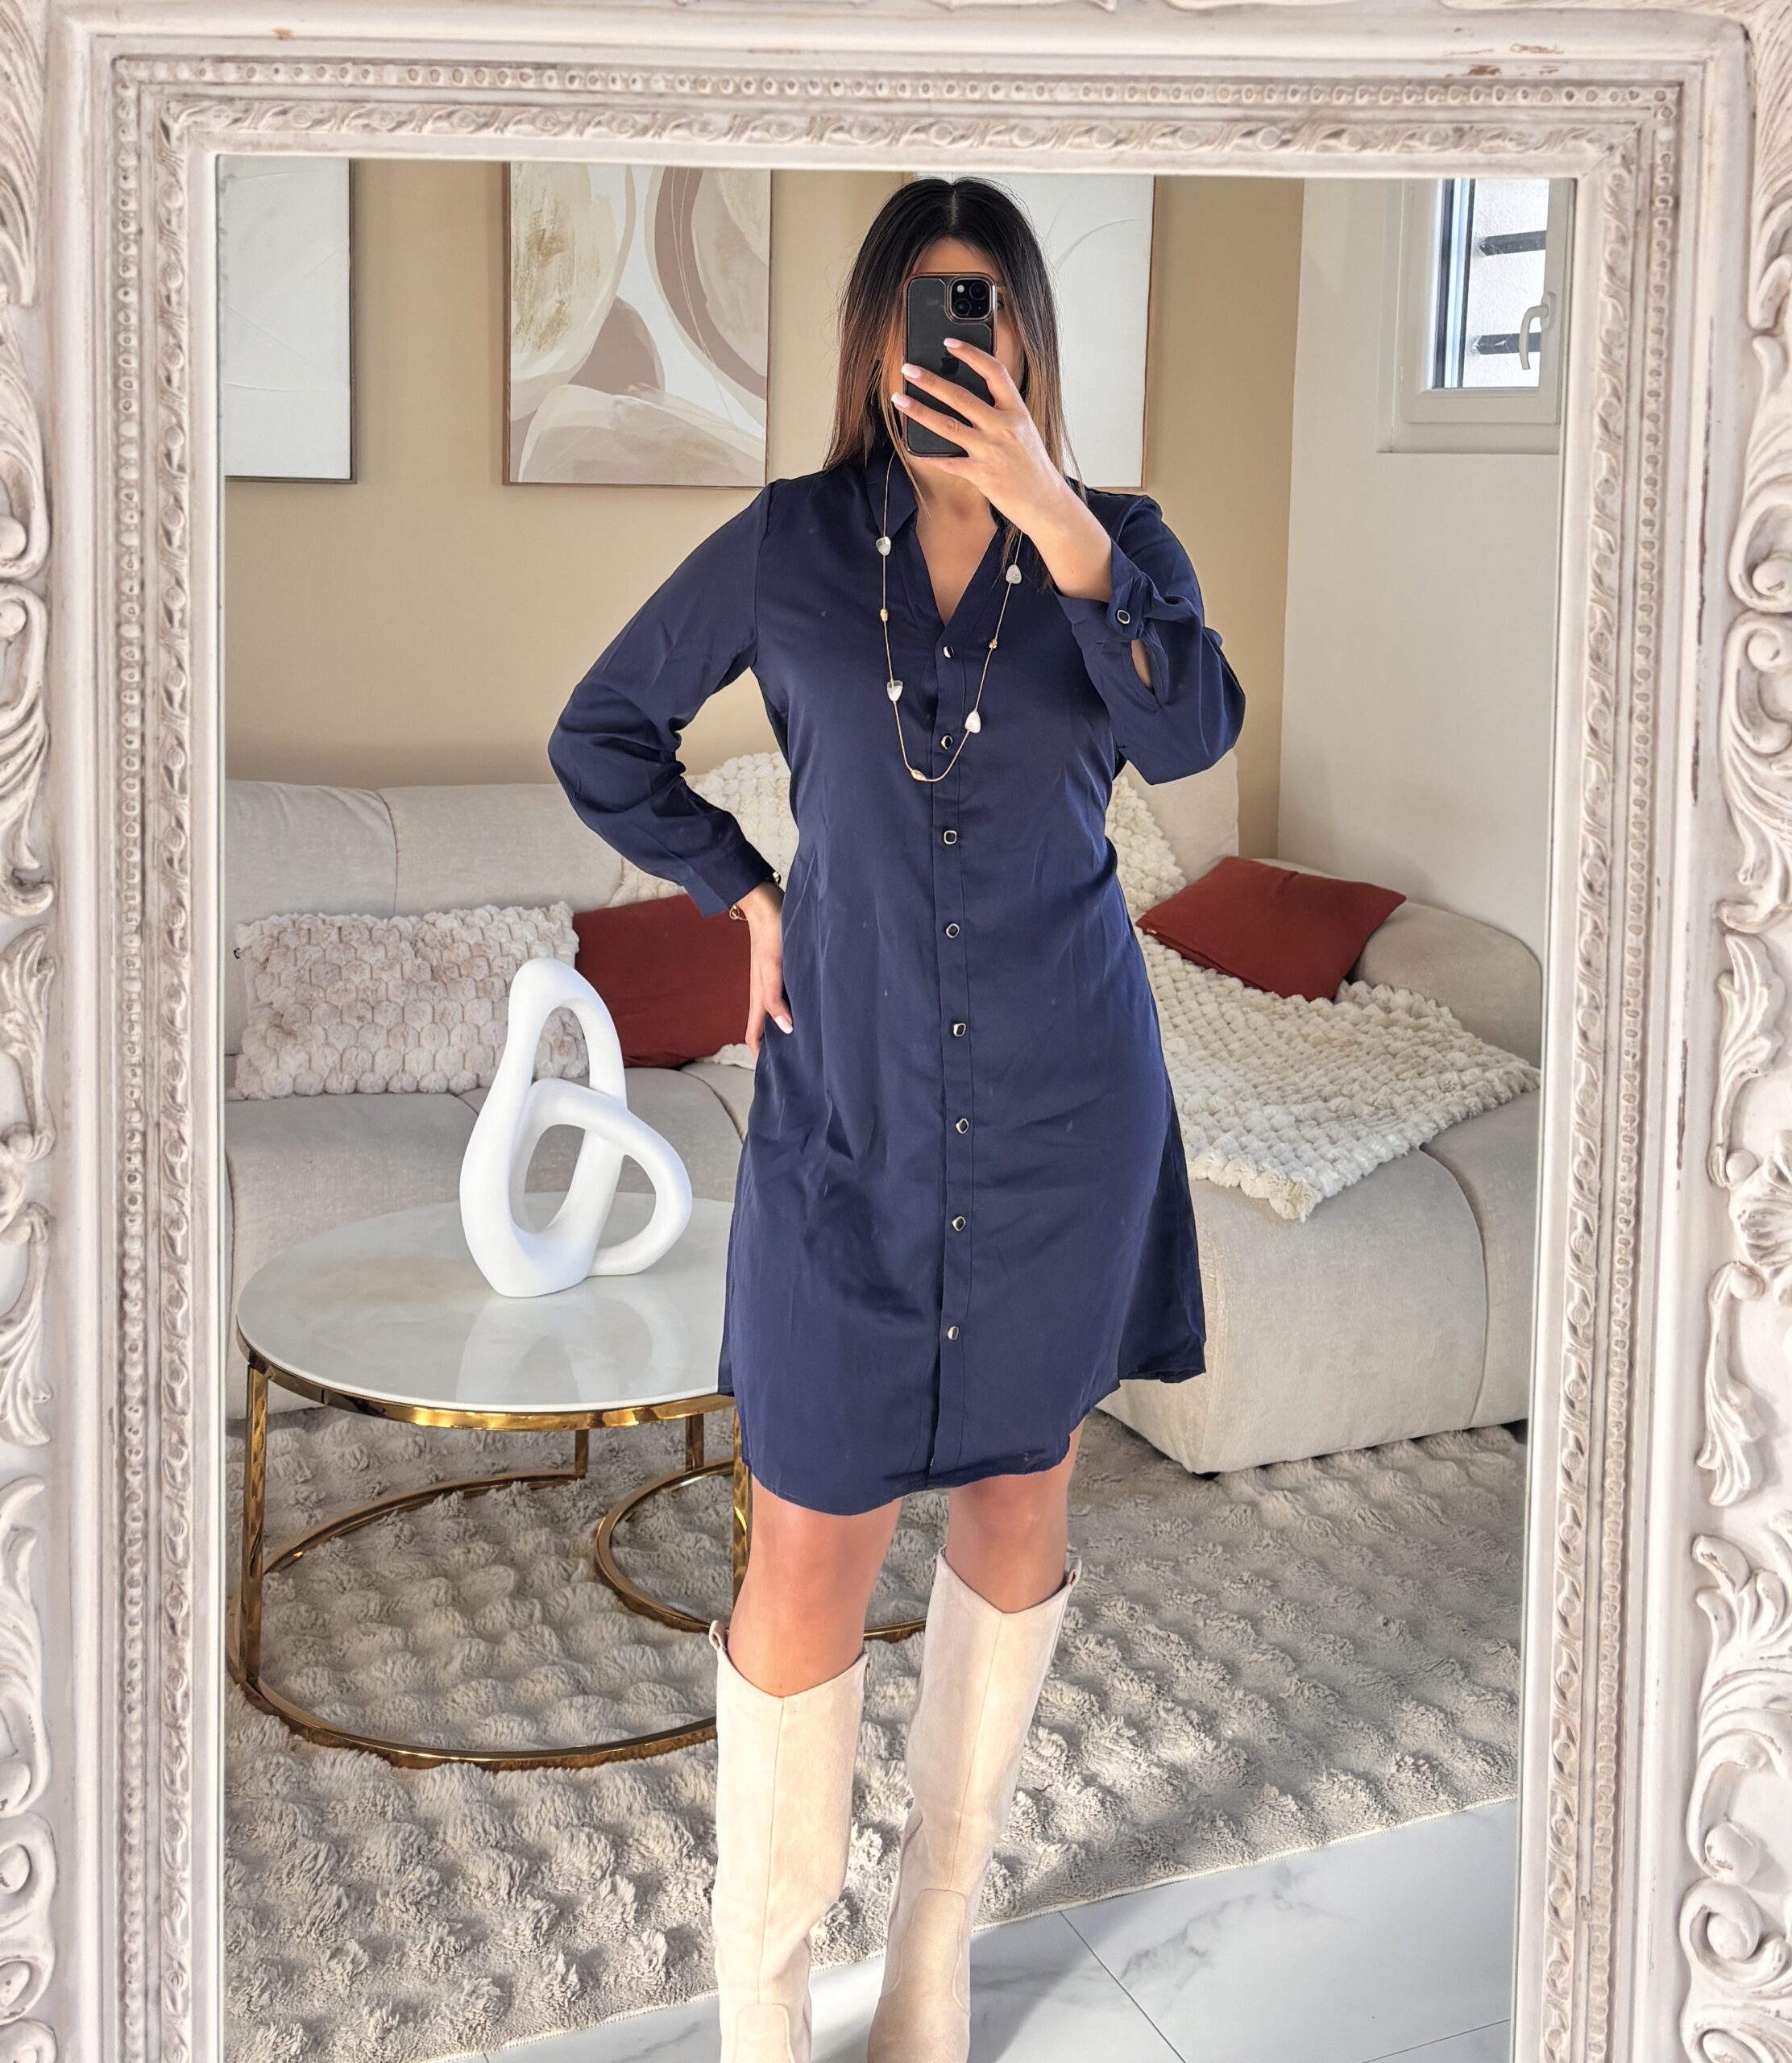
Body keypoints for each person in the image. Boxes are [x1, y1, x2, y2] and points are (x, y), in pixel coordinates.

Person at [548, 175, 1245, 2063]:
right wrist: (742, 886)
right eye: (923, 312)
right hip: (844, 1112)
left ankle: (934, 1935)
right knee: (803, 1544)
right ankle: (762, 1995)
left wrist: (1052, 511)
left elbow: (1189, 738)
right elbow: (599, 731)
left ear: (1025, 341)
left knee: (1021, 1492)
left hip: (1061, 1109)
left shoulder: (1120, 544)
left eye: (984, 310)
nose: (953, 346)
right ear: (870, 341)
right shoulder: (786, 544)